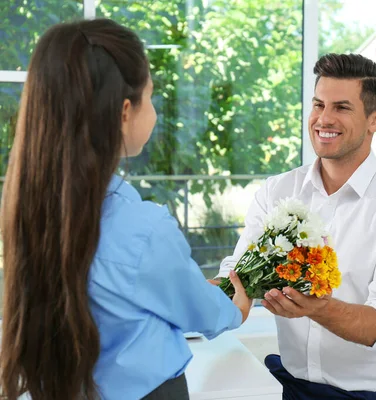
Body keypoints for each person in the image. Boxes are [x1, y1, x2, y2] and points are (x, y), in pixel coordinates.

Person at [0, 19, 252, 400]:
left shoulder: (29, 211)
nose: (153, 111)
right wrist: (237, 307)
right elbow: (204, 312)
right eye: (150, 97)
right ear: (123, 112)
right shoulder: (143, 228)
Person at [217, 53, 376, 399]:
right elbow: (238, 273)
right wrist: (203, 294)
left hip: (374, 394)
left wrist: (318, 309)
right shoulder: (278, 190)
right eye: (319, 104)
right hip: (293, 386)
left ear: (375, 120)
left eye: (342, 108)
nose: (324, 119)